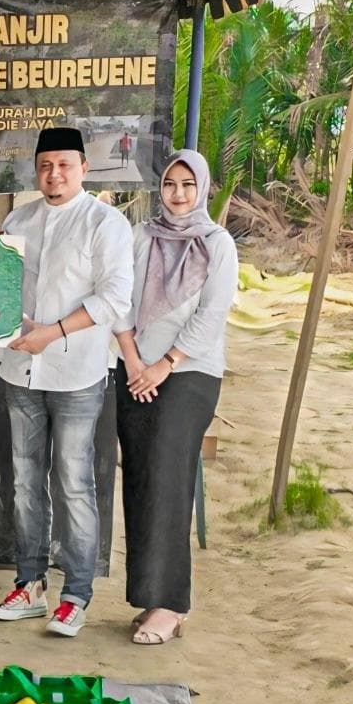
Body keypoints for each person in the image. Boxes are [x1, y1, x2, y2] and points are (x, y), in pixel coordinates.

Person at [0, 125, 132, 637]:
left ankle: (76, 594)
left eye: (65, 165)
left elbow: (115, 300)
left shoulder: (105, 224)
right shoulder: (18, 220)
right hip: (20, 371)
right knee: (26, 483)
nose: (54, 174)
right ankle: (29, 585)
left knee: (72, 482)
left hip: (77, 373)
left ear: (84, 169)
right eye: (45, 165)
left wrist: (53, 332)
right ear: (36, 169)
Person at [115, 150, 237, 645]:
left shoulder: (216, 243)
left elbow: (211, 314)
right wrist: (132, 359)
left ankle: (172, 603)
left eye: (188, 184)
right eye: (171, 184)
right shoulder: (142, 236)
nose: (179, 194)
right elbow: (119, 296)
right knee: (142, 480)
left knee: (168, 475)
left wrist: (166, 364)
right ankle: (150, 597)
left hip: (189, 373)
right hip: (135, 369)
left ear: (202, 188)